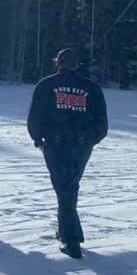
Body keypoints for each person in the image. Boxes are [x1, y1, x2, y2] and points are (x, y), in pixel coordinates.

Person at [27, 48, 108, 259]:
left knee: (64, 189)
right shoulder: (91, 88)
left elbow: (35, 116)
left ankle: (71, 240)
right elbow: (102, 124)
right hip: (80, 147)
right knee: (68, 187)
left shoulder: (46, 85)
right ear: (76, 64)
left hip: (55, 145)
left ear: (58, 62)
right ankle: (68, 230)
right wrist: (90, 141)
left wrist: (38, 140)